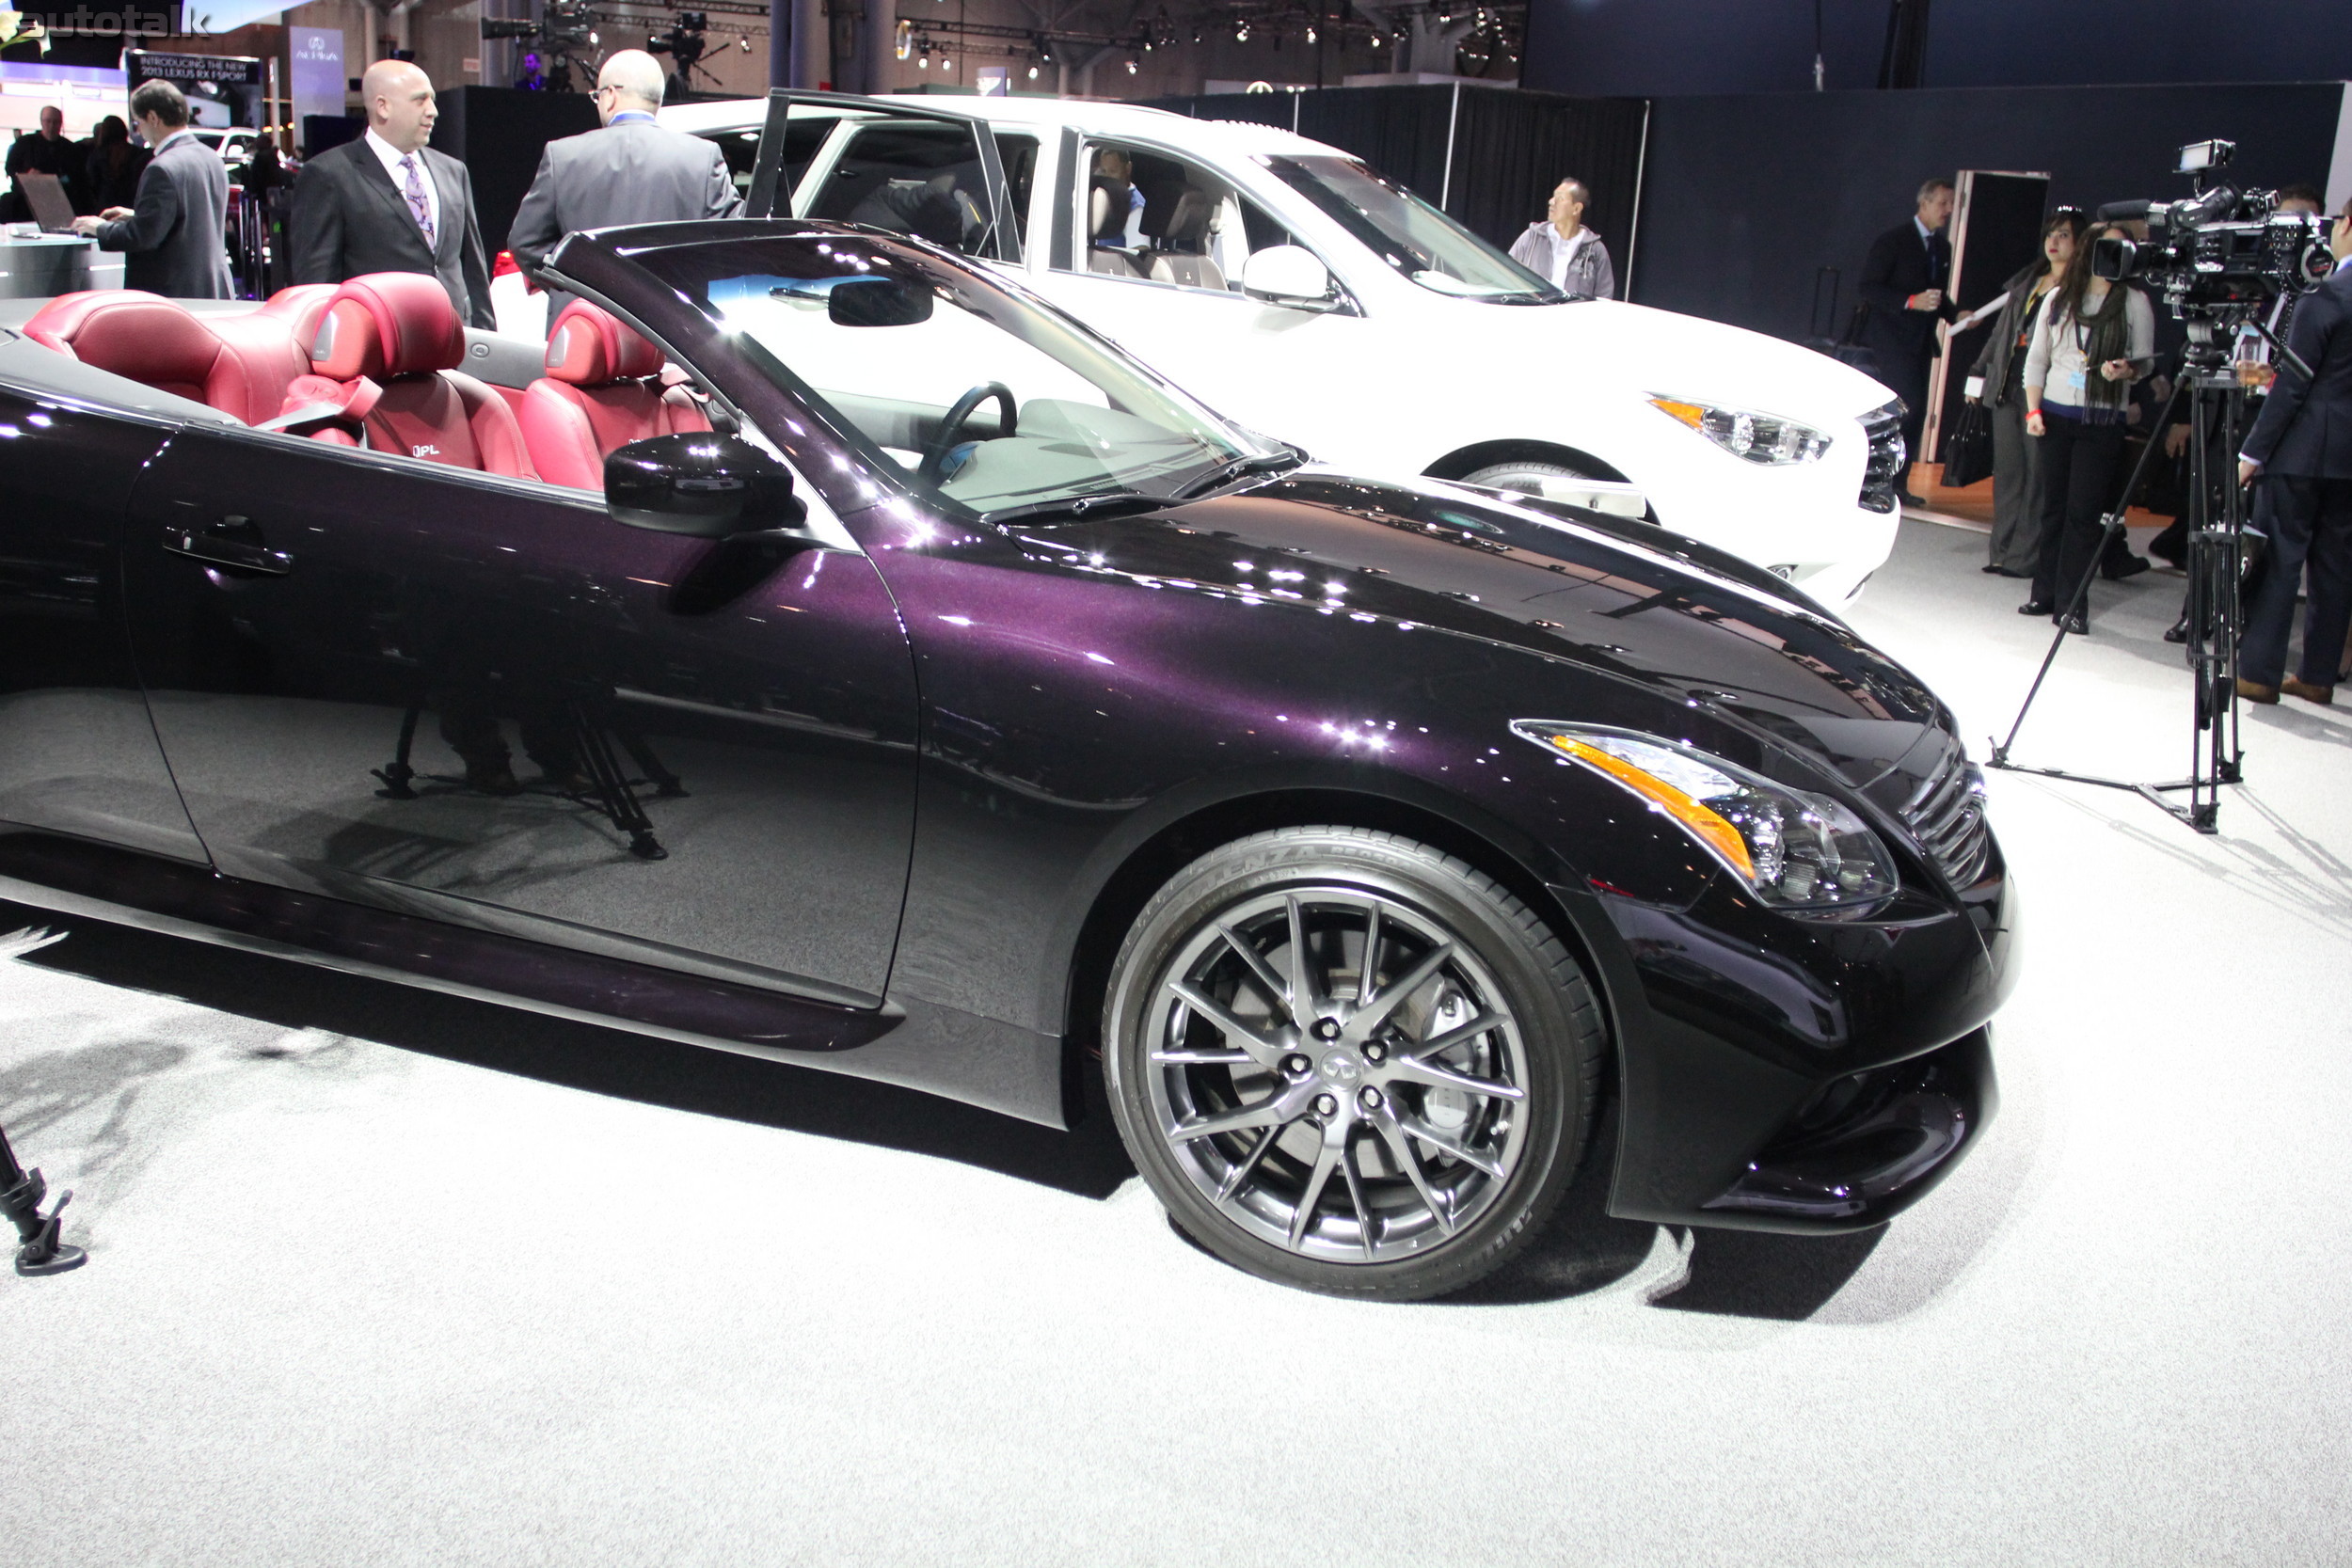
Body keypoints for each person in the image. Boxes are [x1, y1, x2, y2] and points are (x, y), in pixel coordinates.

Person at [505, 49, 740, 332]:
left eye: (597, 96)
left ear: (611, 95)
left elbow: (525, 243)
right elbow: (732, 242)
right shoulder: (703, 157)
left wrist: (569, 283)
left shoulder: (563, 155)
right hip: (676, 338)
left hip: (585, 333)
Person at [2233, 200, 2352, 706]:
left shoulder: (2327, 295)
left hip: (2303, 450)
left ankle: (2259, 673)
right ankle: (2318, 676)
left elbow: (2293, 386)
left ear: (2347, 225)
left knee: (2281, 557)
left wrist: (2252, 453)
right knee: (2335, 566)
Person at [2019, 222, 2156, 633]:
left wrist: (2127, 369)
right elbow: (2037, 360)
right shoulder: (2059, 299)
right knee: (2053, 510)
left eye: (2120, 249)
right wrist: (2033, 410)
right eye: (2105, 248)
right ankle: (2044, 593)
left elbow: (2146, 362)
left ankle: (2073, 603)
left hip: (2102, 418)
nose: (2112, 256)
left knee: (2083, 514)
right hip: (2056, 415)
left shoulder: (2134, 302)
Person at [285, 60, 494, 329]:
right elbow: (317, 286)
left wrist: (486, 341)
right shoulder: (329, 175)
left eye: (432, 99)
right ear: (383, 106)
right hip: (379, 345)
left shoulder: (453, 171)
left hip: (456, 339)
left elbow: (473, 269)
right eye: (420, 100)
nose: (433, 111)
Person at [1965, 209, 2087, 577]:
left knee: (2038, 476)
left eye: (2064, 235)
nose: (2054, 241)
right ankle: (2000, 551)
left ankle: (2025, 556)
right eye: (2051, 234)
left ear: (2080, 242)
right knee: (2009, 472)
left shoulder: (2080, 289)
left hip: (2046, 386)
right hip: (2008, 380)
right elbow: (2000, 334)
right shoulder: (2029, 280)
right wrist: (1977, 372)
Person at [66, 83, 230, 299]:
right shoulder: (211, 158)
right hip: (211, 289)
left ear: (153, 118)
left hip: (172, 297)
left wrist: (100, 228)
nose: (139, 130)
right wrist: (138, 216)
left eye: (138, 122)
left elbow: (143, 237)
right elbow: (193, 219)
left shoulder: (161, 167)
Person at [1856, 178, 1956, 505]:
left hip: (1922, 341)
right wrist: (1910, 301)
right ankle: (1874, 481)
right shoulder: (1894, 241)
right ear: (1924, 203)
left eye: (1951, 204)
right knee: (1902, 408)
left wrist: (1959, 315)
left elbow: (1937, 296)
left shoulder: (1942, 248)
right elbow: (1870, 287)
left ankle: (1898, 484)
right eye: (1943, 203)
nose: (1948, 211)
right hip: (1892, 339)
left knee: (1917, 411)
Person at [1507, 177, 1615, 301]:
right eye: (1554, 197)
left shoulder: (1595, 250)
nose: (1551, 202)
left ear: (1576, 209)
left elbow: (1604, 298)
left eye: (1560, 198)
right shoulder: (1531, 238)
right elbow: (1506, 275)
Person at [4, 105, 79, 224]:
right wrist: (27, 176)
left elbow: (77, 176)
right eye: (48, 121)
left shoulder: (69, 148)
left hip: (58, 200)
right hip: (27, 199)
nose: (52, 126)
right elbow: (10, 168)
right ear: (42, 122)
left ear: (61, 124)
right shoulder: (25, 143)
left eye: (56, 122)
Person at [82, 116, 148, 214]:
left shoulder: (97, 155)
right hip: (129, 204)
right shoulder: (137, 153)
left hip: (104, 205)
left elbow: (91, 183)